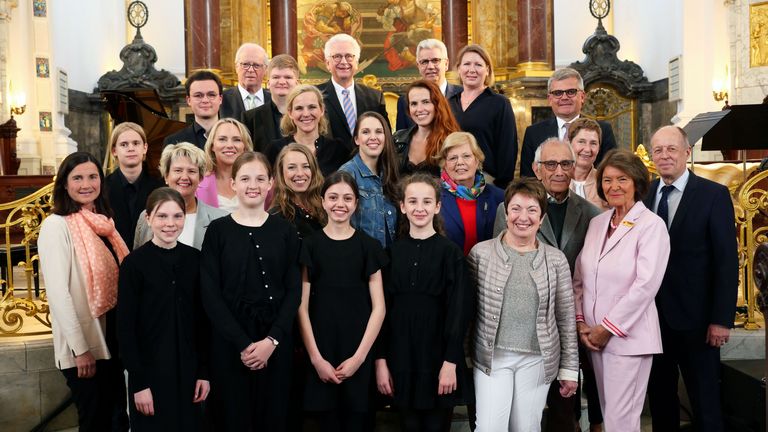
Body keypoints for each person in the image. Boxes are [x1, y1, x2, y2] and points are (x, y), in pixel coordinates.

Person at [493, 137, 602, 432]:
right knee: (520, 412)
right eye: (550, 164)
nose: (559, 171)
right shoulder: (511, 210)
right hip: (522, 328)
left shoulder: (591, 214)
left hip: (568, 322)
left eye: (566, 163)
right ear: (536, 168)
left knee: (565, 408)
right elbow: (499, 265)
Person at [645, 126, 738, 432]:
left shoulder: (713, 195)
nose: (665, 155)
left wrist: (721, 320)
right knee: (661, 404)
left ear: (687, 152)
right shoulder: (644, 195)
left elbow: (726, 261)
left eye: (671, 149)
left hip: (699, 322)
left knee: (706, 405)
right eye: (658, 150)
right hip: (652, 322)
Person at [200, 151, 301, 431]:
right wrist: (243, 344)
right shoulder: (218, 231)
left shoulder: (285, 231)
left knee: (274, 417)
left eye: (259, 178)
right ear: (233, 184)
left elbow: (294, 290)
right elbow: (210, 293)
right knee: (234, 418)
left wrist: (272, 340)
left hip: (275, 341)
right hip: (230, 343)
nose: (252, 185)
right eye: (244, 178)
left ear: (271, 183)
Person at [469, 177, 578, 432]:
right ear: (506, 213)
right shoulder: (481, 254)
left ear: (541, 219)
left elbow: (565, 317)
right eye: (516, 208)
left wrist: (570, 369)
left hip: (537, 359)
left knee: (526, 427)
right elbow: (468, 312)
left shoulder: (556, 260)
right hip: (492, 358)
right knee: (489, 427)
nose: (523, 217)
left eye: (532, 210)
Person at [573, 149, 670, 432]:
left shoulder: (652, 226)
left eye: (622, 179)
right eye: (607, 179)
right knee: (609, 416)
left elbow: (646, 285)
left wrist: (607, 328)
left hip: (628, 339)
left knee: (621, 421)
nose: (613, 186)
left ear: (637, 182)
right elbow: (580, 278)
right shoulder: (597, 223)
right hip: (594, 338)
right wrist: (582, 324)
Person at [38, 152, 131, 432]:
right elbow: (58, 294)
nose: (86, 184)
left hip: (111, 336)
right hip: (86, 344)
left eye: (93, 176)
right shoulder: (56, 226)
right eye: (77, 177)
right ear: (64, 184)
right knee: (94, 421)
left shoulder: (103, 223)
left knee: (116, 418)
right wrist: (80, 350)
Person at [375, 173, 473, 432]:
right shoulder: (391, 254)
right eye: (413, 201)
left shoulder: (450, 254)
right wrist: (381, 361)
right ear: (403, 206)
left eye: (427, 202)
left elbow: (458, 312)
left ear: (437, 206)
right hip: (401, 360)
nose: (420, 208)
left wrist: (451, 362)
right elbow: (381, 313)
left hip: (439, 361)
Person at [298, 171, 387, 432]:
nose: (340, 204)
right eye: (333, 197)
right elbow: (301, 308)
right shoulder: (311, 246)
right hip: (321, 353)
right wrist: (316, 359)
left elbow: (379, 307)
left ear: (356, 204)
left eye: (348, 198)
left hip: (358, 352)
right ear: (323, 201)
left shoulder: (368, 247)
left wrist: (359, 358)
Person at [117, 188, 210, 431]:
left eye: (177, 216)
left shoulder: (195, 259)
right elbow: (126, 329)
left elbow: (203, 322)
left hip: (190, 373)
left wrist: (204, 373)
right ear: (148, 219)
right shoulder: (133, 265)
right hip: (151, 375)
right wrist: (138, 384)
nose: (170, 224)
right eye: (162, 216)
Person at [519, 67, 617, 178]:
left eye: (571, 92)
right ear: (550, 99)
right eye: (558, 93)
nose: (564, 97)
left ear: (582, 97)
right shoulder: (533, 133)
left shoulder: (603, 130)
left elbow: (612, 173)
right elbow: (527, 180)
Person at [133, 143, 227, 250]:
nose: (184, 177)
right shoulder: (145, 217)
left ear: (200, 178)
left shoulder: (220, 220)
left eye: (191, 171)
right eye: (178, 170)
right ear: (166, 176)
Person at [448, 44, 517, 188]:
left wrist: (500, 187)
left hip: (486, 181)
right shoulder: (449, 103)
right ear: (459, 69)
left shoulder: (500, 103)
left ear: (487, 70)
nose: (472, 70)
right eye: (466, 64)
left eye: (478, 65)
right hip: (451, 180)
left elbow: (507, 148)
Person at [317, 33, 389, 150]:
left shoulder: (375, 98)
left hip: (367, 166)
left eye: (349, 56)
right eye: (337, 56)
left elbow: (386, 138)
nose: (344, 62)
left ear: (357, 62)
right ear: (327, 63)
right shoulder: (315, 96)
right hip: (329, 166)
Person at [339, 111, 400, 248]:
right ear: (356, 139)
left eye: (378, 132)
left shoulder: (389, 171)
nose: (373, 137)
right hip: (363, 259)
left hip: (390, 258)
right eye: (366, 132)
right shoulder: (347, 174)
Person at [437, 131, 503, 256]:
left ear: (477, 161)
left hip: (489, 272)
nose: (460, 162)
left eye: (466, 156)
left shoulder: (500, 197)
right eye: (453, 158)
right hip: (449, 272)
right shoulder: (434, 198)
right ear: (444, 164)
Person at [104, 122, 163, 249]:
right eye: (124, 144)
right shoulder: (102, 188)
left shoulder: (160, 187)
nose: (131, 148)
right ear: (114, 151)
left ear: (145, 148)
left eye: (136, 143)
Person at [271, 84, 349, 176]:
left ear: (322, 110)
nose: (306, 114)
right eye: (299, 108)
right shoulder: (276, 149)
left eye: (312, 107)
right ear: (290, 113)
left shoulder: (338, 149)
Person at [394, 79, 460, 177]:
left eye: (425, 102)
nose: (419, 109)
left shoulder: (453, 141)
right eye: (414, 104)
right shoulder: (397, 138)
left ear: (437, 105)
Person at [395, 39, 462, 130]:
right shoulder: (405, 101)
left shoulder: (463, 95)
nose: (430, 67)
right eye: (425, 62)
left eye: (435, 60)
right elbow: (402, 139)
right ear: (418, 66)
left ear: (446, 64)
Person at [243, 54, 300, 153]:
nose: (282, 82)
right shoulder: (250, 118)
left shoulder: (307, 116)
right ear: (268, 83)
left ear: (297, 83)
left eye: (288, 77)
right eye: (276, 77)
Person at [196, 118, 254, 212]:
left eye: (237, 140)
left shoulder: (260, 182)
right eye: (222, 139)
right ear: (212, 146)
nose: (230, 145)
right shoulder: (198, 184)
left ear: (245, 147)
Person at [269, 144, 327, 240]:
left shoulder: (327, 206)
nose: (300, 173)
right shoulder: (275, 218)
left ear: (313, 170)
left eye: (306, 166)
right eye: (291, 167)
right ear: (281, 172)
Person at [164, 70, 223, 149]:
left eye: (211, 95)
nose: (205, 100)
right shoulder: (173, 142)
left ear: (220, 99)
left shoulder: (238, 136)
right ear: (189, 100)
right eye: (198, 95)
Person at [568, 118, 610, 211]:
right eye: (581, 142)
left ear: (599, 148)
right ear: (569, 144)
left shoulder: (606, 182)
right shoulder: (556, 181)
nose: (587, 149)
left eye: (593, 143)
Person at [221, 43, 271, 119]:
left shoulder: (274, 100)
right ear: (236, 67)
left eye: (256, 65)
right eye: (245, 64)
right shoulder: (222, 100)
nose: (250, 70)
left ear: (265, 69)